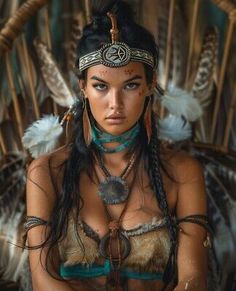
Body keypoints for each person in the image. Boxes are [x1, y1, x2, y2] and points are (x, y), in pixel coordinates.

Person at [24, 1, 211, 290]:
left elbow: (192, 280)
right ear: (82, 87)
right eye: (101, 86)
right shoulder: (47, 172)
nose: (115, 104)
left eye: (131, 85)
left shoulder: (183, 172)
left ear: (150, 85)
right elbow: (43, 280)